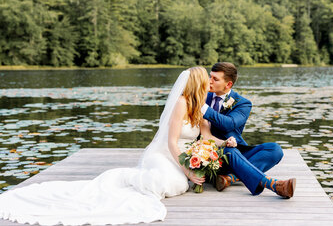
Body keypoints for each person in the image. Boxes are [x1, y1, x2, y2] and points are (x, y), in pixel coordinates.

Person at [0, 67, 212, 225]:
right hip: (164, 154)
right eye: (206, 80)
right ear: (198, 83)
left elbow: (206, 137)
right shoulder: (181, 103)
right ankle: (122, 179)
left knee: (179, 185)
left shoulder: (201, 106)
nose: (209, 83)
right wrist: (187, 170)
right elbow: (171, 143)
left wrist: (225, 145)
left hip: (182, 157)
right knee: (168, 183)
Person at [200, 62, 296, 198]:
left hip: (235, 152)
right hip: (209, 154)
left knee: (275, 150)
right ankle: (272, 184)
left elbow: (229, 124)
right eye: (210, 77)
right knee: (230, 151)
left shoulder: (242, 103)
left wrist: (202, 108)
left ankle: (230, 178)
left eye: (215, 79)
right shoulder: (202, 96)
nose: (209, 81)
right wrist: (200, 102)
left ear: (228, 85)